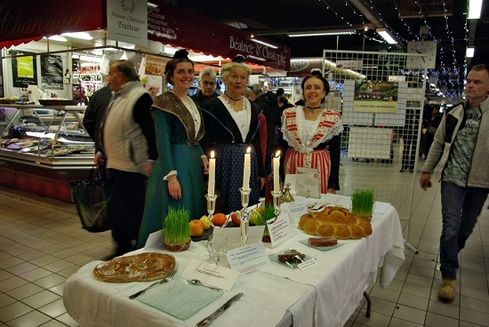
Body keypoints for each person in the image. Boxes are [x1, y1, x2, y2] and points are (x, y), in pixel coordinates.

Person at [420, 63, 489, 302]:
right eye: (469, 81)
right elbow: (438, 142)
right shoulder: (455, 112)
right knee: (450, 224)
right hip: (452, 178)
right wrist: (427, 169)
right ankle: (449, 276)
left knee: (466, 226)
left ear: (488, 87)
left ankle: (450, 252)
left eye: (477, 82)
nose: (470, 85)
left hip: (481, 182)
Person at [137, 50, 208, 247]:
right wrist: (171, 176)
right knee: (176, 211)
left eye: (190, 71)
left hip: (192, 165)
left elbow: (195, 137)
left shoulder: (193, 102)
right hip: (175, 164)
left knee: (192, 212)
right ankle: (165, 256)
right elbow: (162, 142)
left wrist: (202, 155)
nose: (187, 76)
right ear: (170, 76)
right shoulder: (164, 102)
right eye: (181, 72)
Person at [101, 60, 157, 257]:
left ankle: (128, 247)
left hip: (131, 166)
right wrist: (101, 150)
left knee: (126, 210)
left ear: (121, 76)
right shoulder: (117, 96)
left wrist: (151, 158)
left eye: (111, 73)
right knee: (118, 209)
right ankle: (123, 246)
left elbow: (150, 131)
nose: (108, 78)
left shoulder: (140, 97)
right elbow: (111, 127)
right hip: (115, 163)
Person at [201, 55, 264, 213]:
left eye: (243, 77)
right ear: (225, 79)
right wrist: (207, 159)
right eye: (234, 76)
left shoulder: (253, 107)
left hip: (249, 160)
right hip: (224, 161)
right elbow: (206, 139)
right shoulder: (212, 106)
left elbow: (256, 141)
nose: (238, 81)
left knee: (247, 205)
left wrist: (262, 171)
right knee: (224, 206)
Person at [281, 74, 343, 194]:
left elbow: (335, 152)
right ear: (303, 92)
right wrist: (279, 177)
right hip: (292, 165)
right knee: (291, 204)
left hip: (319, 167)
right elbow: (282, 146)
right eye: (308, 87)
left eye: (317, 87)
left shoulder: (333, 118)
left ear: (324, 92)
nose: (312, 91)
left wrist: (333, 184)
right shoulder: (289, 114)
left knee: (316, 208)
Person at [83, 85, 112, 170]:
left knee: (105, 180)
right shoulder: (130, 95)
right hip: (123, 156)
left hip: (103, 154)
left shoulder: (98, 95)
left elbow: (87, 122)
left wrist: (98, 142)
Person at [400, 107, 420, 172]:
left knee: (414, 151)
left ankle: (412, 167)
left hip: (416, 134)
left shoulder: (420, 111)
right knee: (406, 150)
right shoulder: (406, 110)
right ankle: (404, 166)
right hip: (407, 133)